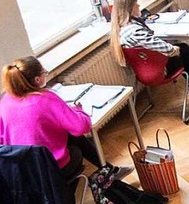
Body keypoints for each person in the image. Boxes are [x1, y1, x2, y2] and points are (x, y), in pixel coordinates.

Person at [0, 56, 130, 180]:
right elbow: (82, 127)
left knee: (69, 135)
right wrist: (79, 110)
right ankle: (102, 174)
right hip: (51, 168)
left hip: (22, 170)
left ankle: (109, 169)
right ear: (37, 79)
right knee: (75, 139)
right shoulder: (45, 98)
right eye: (44, 72)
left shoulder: (5, 101)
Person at [110, 0, 189, 90]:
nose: (138, 5)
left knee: (182, 51)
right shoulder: (134, 31)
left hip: (142, 71)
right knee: (183, 50)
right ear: (130, 8)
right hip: (158, 70)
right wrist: (174, 49)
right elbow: (162, 47)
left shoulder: (120, 29)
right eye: (136, 3)